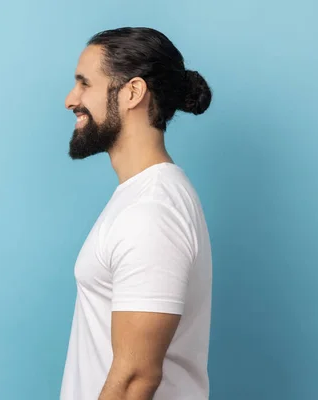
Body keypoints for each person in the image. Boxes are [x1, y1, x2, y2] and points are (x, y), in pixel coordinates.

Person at [60, 27, 213, 400]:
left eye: (85, 84)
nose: (70, 99)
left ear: (132, 92)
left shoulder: (152, 211)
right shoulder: (139, 197)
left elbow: (135, 379)